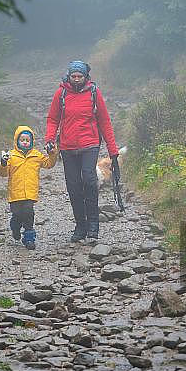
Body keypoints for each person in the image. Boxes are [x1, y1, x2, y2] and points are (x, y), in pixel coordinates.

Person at [45, 60, 119, 242]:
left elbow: (104, 122)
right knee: (73, 187)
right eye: (74, 76)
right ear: (69, 77)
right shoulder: (61, 93)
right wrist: (49, 139)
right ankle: (80, 226)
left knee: (89, 179)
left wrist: (113, 150)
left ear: (86, 77)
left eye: (80, 76)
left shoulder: (94, 93)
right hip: (68, 147)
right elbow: (53, 119)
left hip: (90, 144)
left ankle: (93, 225)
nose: (76, 79)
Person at [0, 125, 59, 249]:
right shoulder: (11, 156)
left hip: (30, 193)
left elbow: (48, 164)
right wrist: (3, 163)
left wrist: (52, 154)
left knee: (28, 213)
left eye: (27, 140)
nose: (25, 143)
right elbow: (3, 173)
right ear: (17, 141)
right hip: (15, 193)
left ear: (32, 141)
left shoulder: (36, 155)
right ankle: (15, 227)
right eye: (22, 140)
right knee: (17, 214)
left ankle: (29, 238)